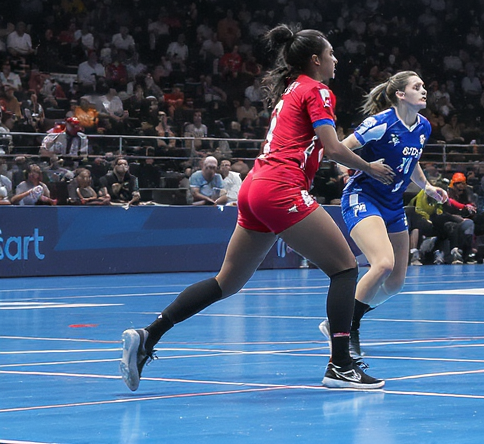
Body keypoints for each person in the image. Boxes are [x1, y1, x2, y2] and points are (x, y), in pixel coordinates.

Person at [120, 25, 396, 392]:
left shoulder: (290, 90)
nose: (336, 59)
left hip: (254, 187)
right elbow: (331, 148)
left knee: (226, 282)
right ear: (316, 60)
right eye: (331, 54)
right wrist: (371, 168)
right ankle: (341, 365)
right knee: (345, 269)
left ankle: (148, 335)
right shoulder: (318, 90)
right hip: (282, 187)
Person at [317, 70, 444, 364]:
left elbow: (412, 162)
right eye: (417, 87)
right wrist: (363, 167)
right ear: (401, 94)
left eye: (424, 86)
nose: (424, 91)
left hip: (392, 203)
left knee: (396, 281)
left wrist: (428, 187)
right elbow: (338, 150)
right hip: (363, 198)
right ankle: (346, 328)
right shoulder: (380, 123)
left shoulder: (423, 126)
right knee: (383, 263)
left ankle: (341, 319)